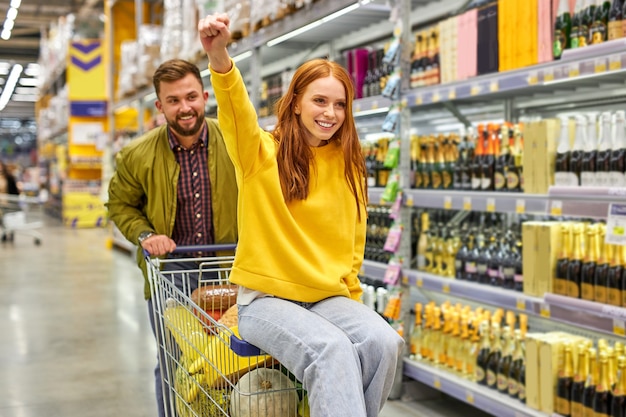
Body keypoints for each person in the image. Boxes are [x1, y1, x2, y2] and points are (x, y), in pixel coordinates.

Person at [198, 13, 404, 417]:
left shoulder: (349, 167)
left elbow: (352, 251)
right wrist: (219, 54)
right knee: (331, 350)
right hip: (266, 302)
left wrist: (355, 308)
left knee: (383, 341)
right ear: (294, 103)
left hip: (326, 298)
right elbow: (235, 109)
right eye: (319, 100)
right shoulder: (259, 153)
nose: (330, 113)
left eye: (340, 104)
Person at [105, 58, 238, 417]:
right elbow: (119, 205)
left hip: (231, 268)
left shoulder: (235, 141)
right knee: (176, 363)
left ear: (205, 96)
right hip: (172, 272)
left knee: (238, 365)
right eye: (174, 100)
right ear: (159, 106)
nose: (185, 108)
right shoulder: (136, 155)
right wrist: (145, 234)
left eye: (191, 96)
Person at [0, 161, 20, 242]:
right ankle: (4, 232)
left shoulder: (9, 178)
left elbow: (15, 192)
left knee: (8, 217)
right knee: (2, 219)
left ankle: (11, 232)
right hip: (0, 203)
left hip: (9, 202)